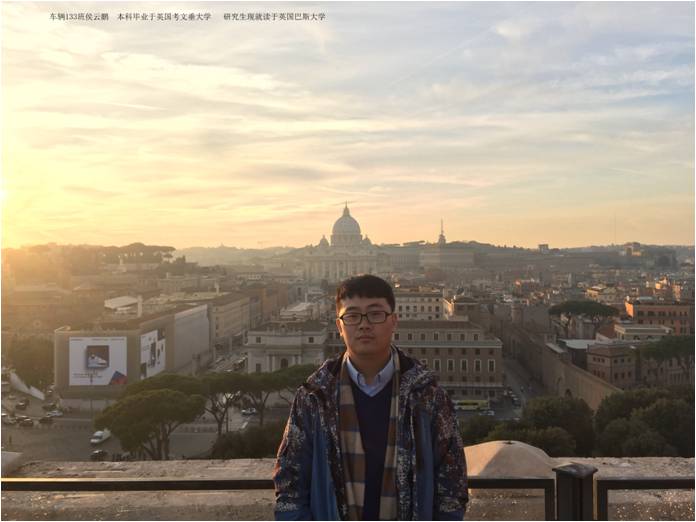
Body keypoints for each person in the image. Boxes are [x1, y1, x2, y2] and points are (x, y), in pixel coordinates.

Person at [274, 274, 468, 520]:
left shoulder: (430, 396)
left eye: (375, 314)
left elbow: (452, 483)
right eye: (352, 316)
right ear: (339, 326)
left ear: (394, 321)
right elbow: (290, 484)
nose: (364, 325)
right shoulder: (312, 397)